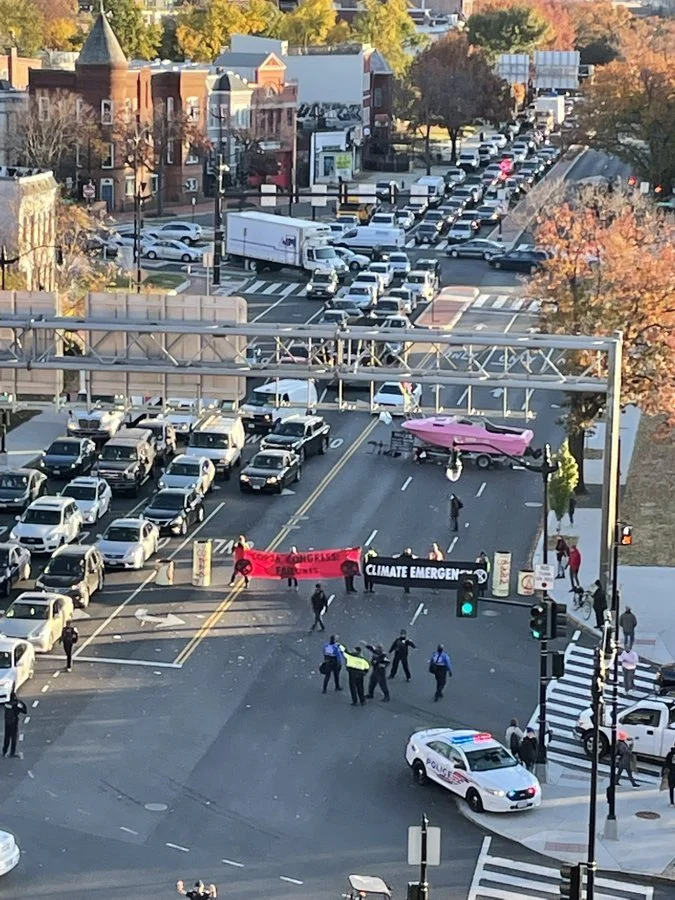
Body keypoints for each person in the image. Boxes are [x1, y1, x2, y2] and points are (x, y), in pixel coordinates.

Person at [3, 691, 27, 758]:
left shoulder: (7, 703)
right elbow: (24, 711)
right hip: (13, 721)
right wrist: (20, 704)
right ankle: (12, 752)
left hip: (7, 721)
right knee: (13, 738)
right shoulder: (16, 704)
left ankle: (4, 750)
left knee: (6, 737)